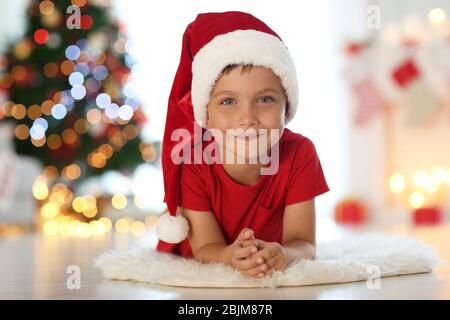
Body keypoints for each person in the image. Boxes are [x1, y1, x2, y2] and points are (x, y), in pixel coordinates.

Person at [155, 11, 329, 278]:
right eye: (228, 101)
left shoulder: (299, 153)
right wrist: (230, 256)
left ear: (287, 106)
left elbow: (303, 243)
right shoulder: (193, 161)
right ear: (206, 114)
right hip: (207, 259)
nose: (247, 118)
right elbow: (204, 247)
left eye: (265, 100)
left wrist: (284, 254)